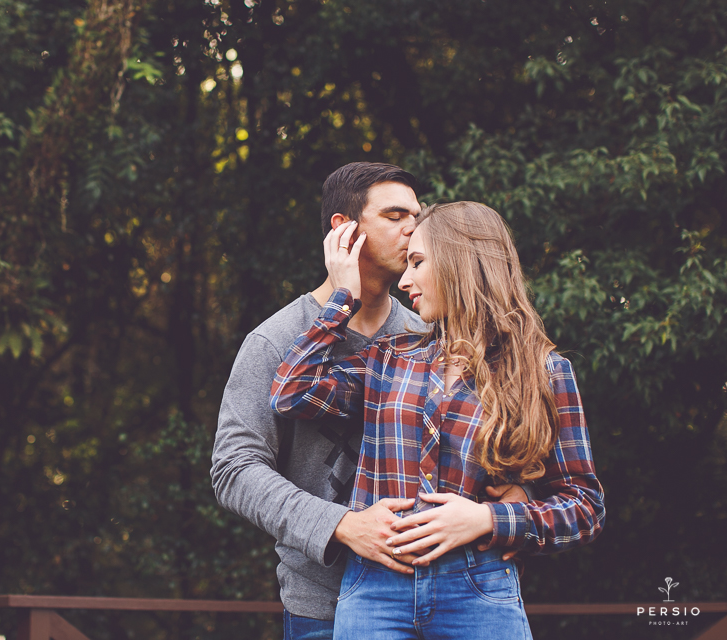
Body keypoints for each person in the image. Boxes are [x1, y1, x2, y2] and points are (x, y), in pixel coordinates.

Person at [211, 165, 528, 640]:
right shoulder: (276, 341)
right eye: (396, 215)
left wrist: (510, 498)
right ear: (344, 231)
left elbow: (495, 429)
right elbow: (234, 470)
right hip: (323, 602)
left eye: (416, 216)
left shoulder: (431, 330)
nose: (413, 228)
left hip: (447, 595)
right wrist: (340, 525)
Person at [270, 201, 605, 639]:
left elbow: (585, 508)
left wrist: (487, 520)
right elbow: (290, 390)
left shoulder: (544, 372)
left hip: (479, 587)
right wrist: (343, 298)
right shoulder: (389, 359)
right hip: (374, 589)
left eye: (418, 262)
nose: (404, 280)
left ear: (460, 263)